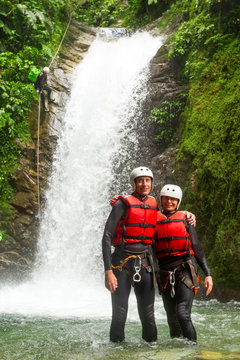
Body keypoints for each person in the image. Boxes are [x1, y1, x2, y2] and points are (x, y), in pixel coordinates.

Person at [102, 167, 195, 343]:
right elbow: (106, 236)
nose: (144, 184)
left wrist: (189, 215)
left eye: (148, 180)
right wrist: (108, 271)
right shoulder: (122, 203)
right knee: (120, 313)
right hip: (121, 263)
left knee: (148, 315)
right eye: (140, 180)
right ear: (134, 183)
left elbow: (170, 212)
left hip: (144, 263)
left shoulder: (154, 203)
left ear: (151, 183)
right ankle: (116, 353)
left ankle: (151, 350)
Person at [154, 184, 213, 343]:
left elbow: (197, 247)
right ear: (161, 199)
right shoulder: (154, 219)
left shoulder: (186, 219)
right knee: (172, 319)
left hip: (185, 270)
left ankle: (193, 351)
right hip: (165, 273)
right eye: (166, 198)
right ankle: (177, 353)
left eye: (173, 199)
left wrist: (208, 274)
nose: (169, 202)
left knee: (182, 313)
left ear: (178, 202)